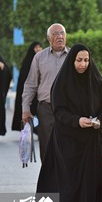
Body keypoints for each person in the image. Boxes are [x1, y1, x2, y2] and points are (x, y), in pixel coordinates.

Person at [28, 43, 102, 202]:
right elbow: (59, 110)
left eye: (86, 60)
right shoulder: (62, 82)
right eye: (79, 60)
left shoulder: (95, 81)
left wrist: (100, 120)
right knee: (66, 180)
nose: (83, 64)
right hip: (66, 140)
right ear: (72, 60)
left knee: (85, 180)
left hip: (89, 141)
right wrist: (77, 121)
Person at [22, 23, 69, 161]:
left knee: (67, 144)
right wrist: (25, 108)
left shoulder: (74, 56)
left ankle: (66, 179)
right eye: (55, 34)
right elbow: (30, 84)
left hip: (69, 109)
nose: (59, 36)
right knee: (48, 144)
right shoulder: (39, 57)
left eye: (62, 33)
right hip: (46, 108)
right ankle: (48, 178)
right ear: (49, 38)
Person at [12, 41, 43, 132]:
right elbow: (24, 78)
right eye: (36, 47)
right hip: (30, 93)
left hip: (40, 93)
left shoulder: (44, 60)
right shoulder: (27, 62)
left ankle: (39, 130)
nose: (38, 49)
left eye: (40, 47)